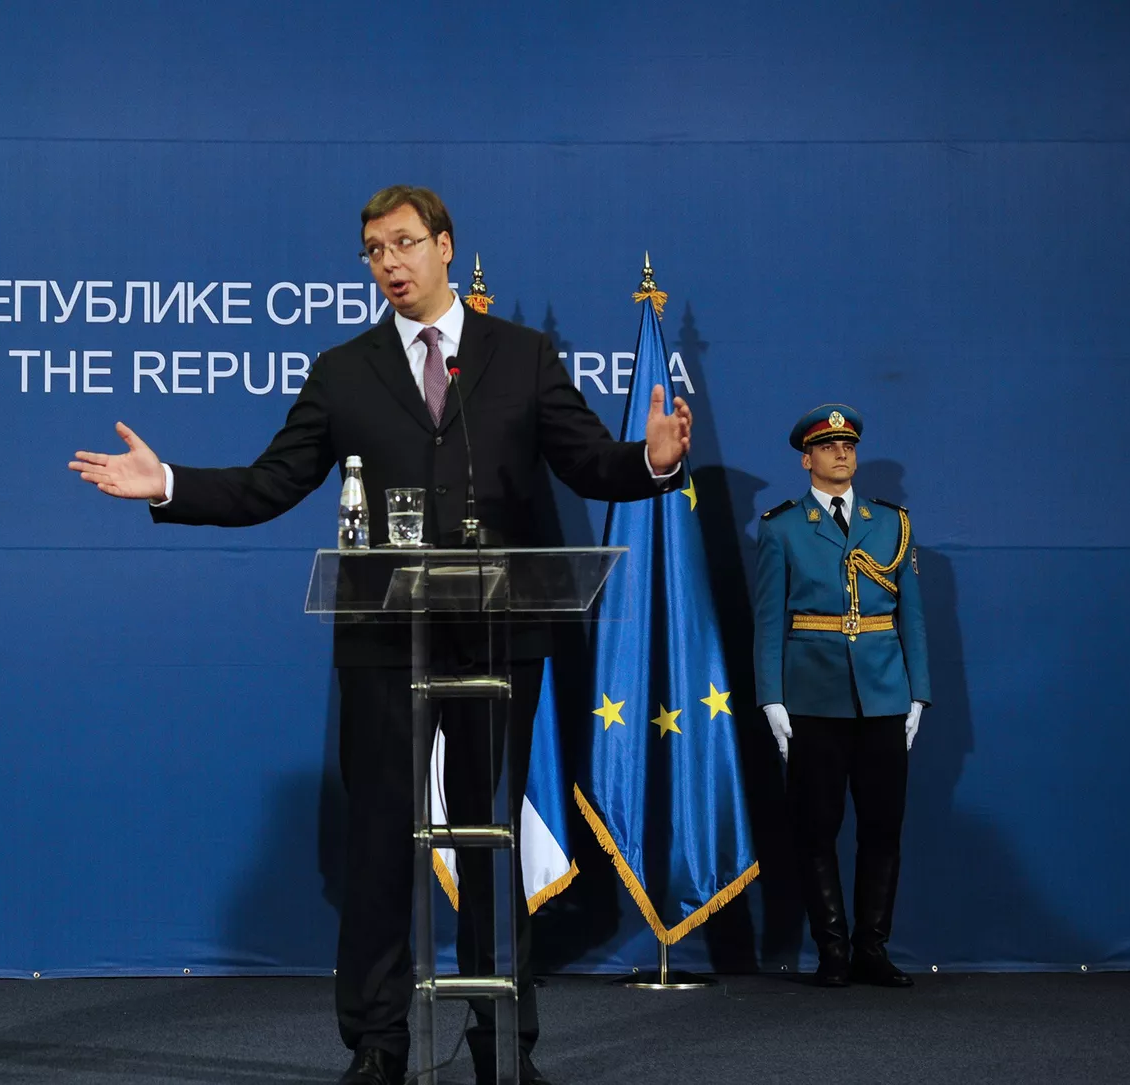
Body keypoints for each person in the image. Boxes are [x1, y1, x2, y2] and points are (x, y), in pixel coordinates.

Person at [69, 185, 691, 1085]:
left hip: (497, 635)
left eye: (403, 243)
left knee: (490, 840)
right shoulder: (343, 371)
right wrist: (168, 481)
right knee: (377, 841)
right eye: (373, 250)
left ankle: (503, 1044)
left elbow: (589, 460)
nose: (388, 263)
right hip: (384, 638)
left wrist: (652, 461)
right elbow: (270, 484)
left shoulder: (522, 356)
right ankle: (377, 1042)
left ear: (445, 246)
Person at [753, 403, 928, 989]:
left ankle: (872, 949)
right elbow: (769, 620)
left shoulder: (892, 523)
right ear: (807, 459)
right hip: (812, 697)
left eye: (848, 446)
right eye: (828, 447)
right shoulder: (781, 527)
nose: (841, 454)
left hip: (884, 695)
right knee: (815, 828)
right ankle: (832, 950)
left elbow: (912, 617)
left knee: (883, 828)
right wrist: (771, 699)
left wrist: (918, 696)